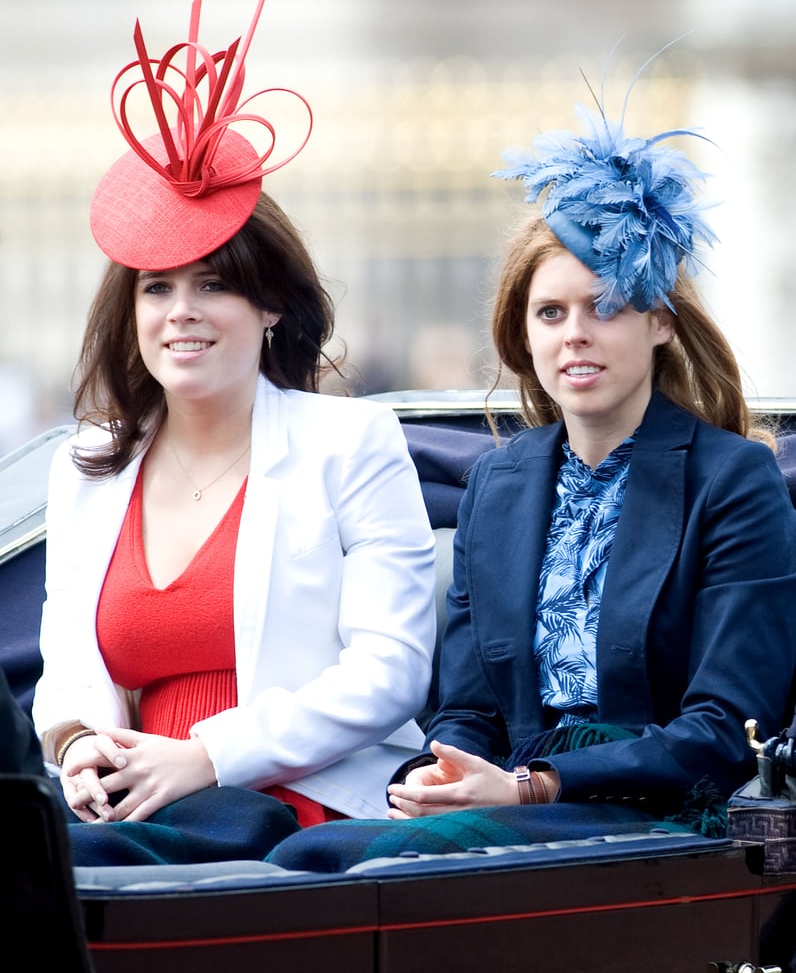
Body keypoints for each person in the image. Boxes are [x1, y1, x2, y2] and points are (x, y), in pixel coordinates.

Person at [267, 51, 796, 871]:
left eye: (606, 306)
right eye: (549, 311)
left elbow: (727, 729)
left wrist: (537, 786)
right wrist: (446, 770)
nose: (573, 333)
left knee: (336, 865)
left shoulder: (733, 480)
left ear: (660, 322)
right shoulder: (500, 484)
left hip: (663, 816)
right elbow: (468, 707)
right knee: (314, 853)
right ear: (524, 333)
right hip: (515, 806)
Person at [31, 0, 436, 865]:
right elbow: (66, 664)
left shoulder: (351, 446)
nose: (183, 312)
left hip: (305, 808)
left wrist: (208, 756)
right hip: (130, 816)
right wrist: (81, 747)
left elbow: (389, 671)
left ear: (271, 308)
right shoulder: (86, 467)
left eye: (214, 284)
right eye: (158, 287)